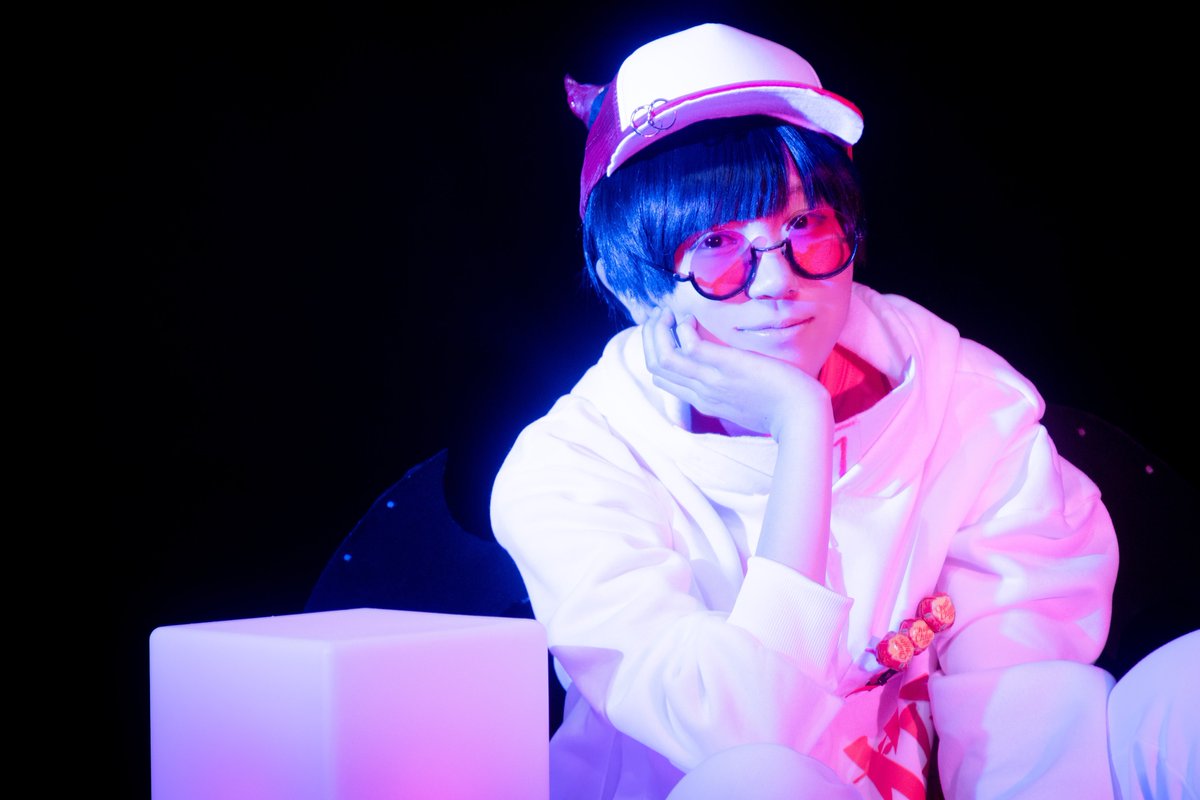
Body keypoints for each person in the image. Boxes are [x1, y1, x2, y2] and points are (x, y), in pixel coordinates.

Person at [489, 22, 1138, 799]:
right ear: (629, 283)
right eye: (717, 246)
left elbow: (1031, 715)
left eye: (805, 227)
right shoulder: (571, 469)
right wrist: (802, 425)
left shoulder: (965, 402)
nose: (777, 283)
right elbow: (744, 742)